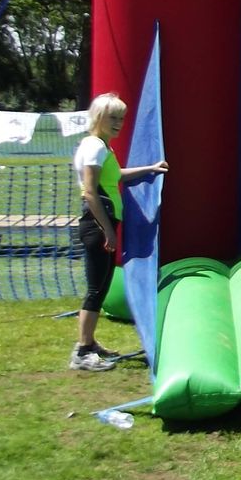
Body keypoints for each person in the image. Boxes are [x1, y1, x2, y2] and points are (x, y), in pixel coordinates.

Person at [69, 92, 169, 371]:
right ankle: (82, 352)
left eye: (122, 119)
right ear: (99, 117)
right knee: (96, 289)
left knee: (98, 287)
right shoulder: (94, 147)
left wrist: (150, 168)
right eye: (113, 117)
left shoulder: (101, 147)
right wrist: (107, 231)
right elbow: (90, 193)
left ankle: (89, 342)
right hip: (97, 222)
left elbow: (116, 176)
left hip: (104, 222)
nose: (118, 123)